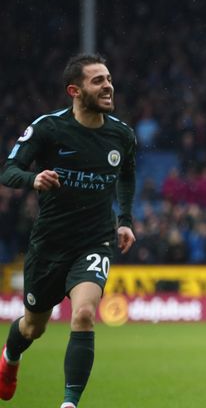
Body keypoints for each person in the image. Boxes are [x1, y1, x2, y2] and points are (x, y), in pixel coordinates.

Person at [0, 53, 137, 408]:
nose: (108, 85)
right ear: (75, 91)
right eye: (98, 81)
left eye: (108, 78)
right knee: (33, 327)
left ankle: (69, 404)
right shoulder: (48, 128)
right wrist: (34, 178)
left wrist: (125, 221)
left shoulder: (121, 135)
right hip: (50, 243)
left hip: (95, 240)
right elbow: (9, 170)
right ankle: (9, 359)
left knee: (84, 314)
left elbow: (126, 177)